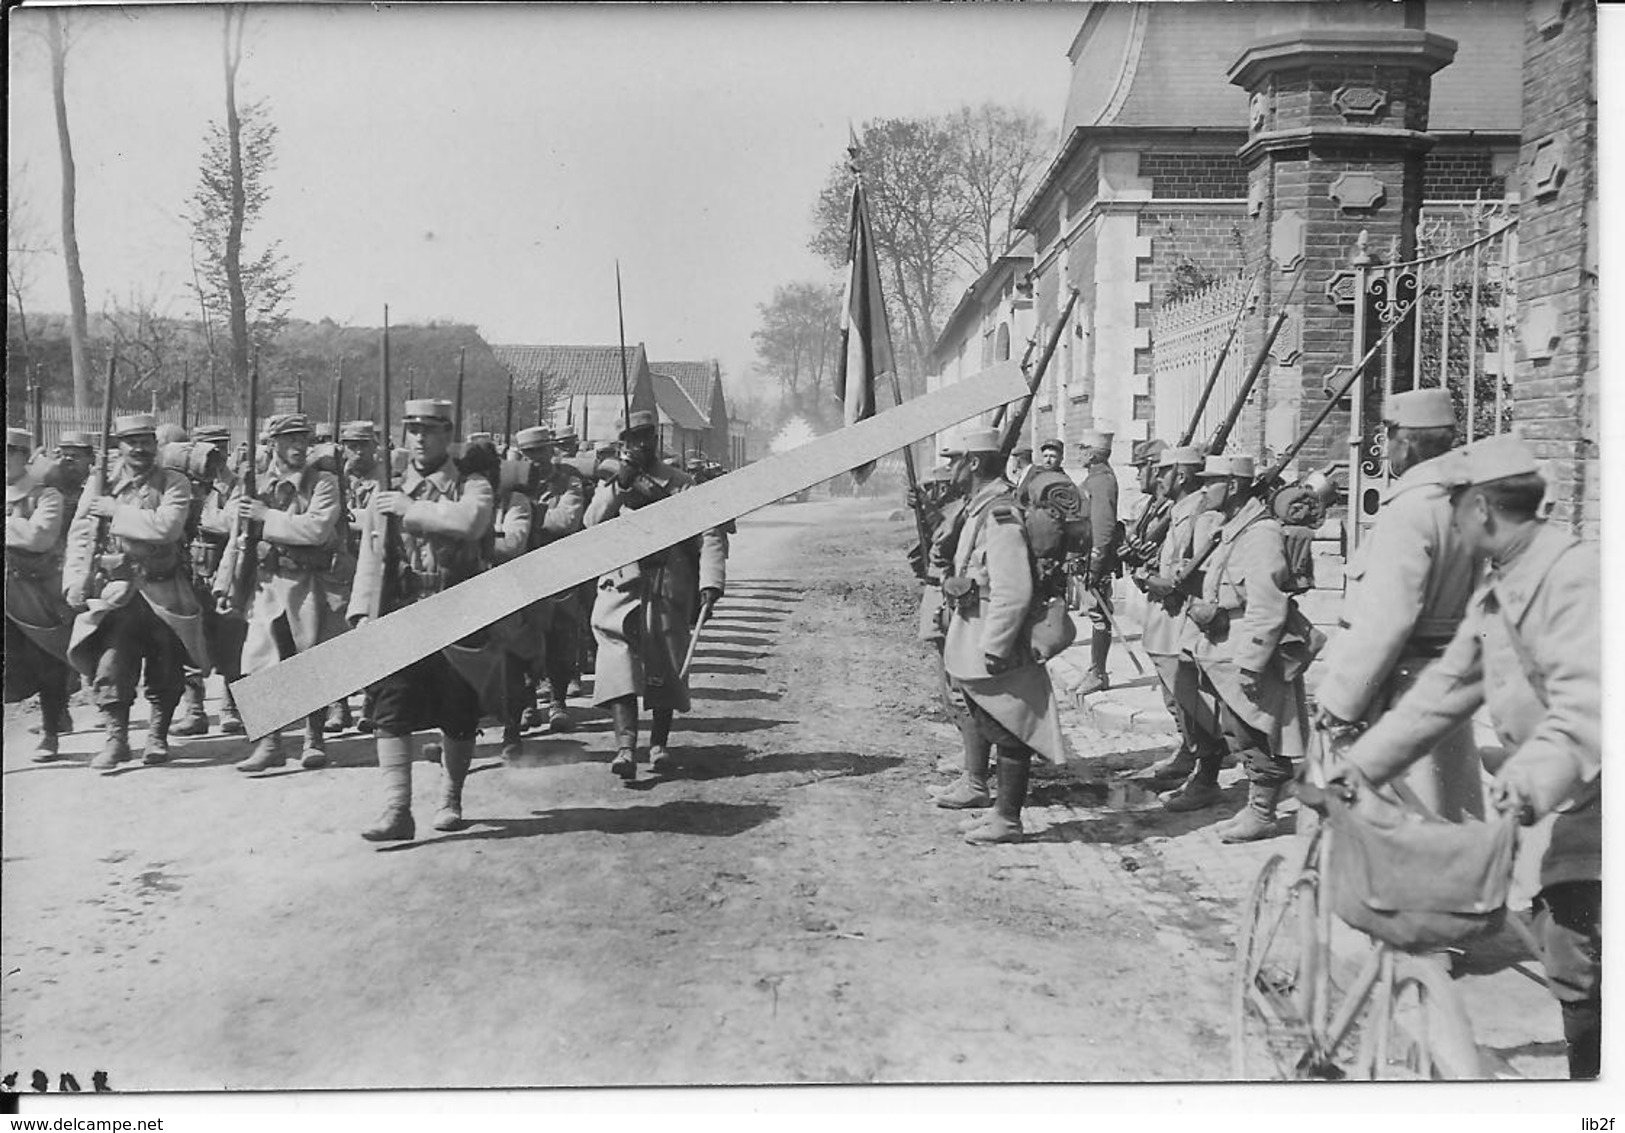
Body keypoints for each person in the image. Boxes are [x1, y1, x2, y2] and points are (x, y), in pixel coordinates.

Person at [1336, 434, 1599, 1080]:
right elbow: (1440, 694)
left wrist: (1532, 781)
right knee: (1566, 950)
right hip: (1570, 797)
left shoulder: (1572, 577)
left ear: (1480, 511)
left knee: (1572, 950)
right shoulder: (1501, 589)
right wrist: (1359, 763)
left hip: (1592, 796)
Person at [1314, 387, 1485, 820]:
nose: (1385, 446)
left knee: (1379, 820)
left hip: (1396, 689)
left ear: (1405, 441)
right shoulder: (1467, 502)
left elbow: (1386, 622)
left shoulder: (1409, 511)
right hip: (1445, 678)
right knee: (1446, 810)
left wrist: (1341, 702)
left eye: (1388, 436)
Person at [349, 398, 497, 841]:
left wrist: (411, 511)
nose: (419, 438)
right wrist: (362, 614)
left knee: (458, 710)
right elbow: (371, 559)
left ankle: (450, 796)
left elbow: (471, 522)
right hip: (403, 609)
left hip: (457, 609)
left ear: (447, 435)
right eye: (412, 429)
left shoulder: (471, 486)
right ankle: (397, 810)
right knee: (390, 706)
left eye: (429, 430)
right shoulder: (387, 492)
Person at [938, 428, 1067, 844]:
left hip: (996, 636)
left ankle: (1008, 819)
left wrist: (995, 646)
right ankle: (999, 812)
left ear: (974, 462)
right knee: (993, 723)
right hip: (977, 629)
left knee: (1012, 731)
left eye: (954, 459)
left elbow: (1013, 588)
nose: (949, 468)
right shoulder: (983, 507)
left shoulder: (1000, 513)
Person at [62, 413, 211, 770]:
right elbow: (81, 535)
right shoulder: (100, 483)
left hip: (164, 590)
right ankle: (117, 740)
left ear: (155, 445)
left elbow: (167, 528)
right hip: (118, 592)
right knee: (111, 665)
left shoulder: (174, 482)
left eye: (147, 441)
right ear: (119, 446)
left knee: (168, 666)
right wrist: (75, 579)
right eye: (133, 442)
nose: (141, 448)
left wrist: (117, 511)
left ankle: (158, 737)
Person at [585, 409, 726, 781]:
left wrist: (710, 583)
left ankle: (659, 744)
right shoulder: (613, 483)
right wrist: (620, 484)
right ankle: (625, 747)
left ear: (657, 439)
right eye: (633, 439)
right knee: (618, 664)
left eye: (647, 436)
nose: (642, 444)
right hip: (622, 585)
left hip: (667, 583)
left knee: (664, 664)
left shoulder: (681, 484)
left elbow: (709, 533)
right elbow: (591, 522)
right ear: (622, 444)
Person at [1184, 453, 1317, 842]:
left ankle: (1262, 813)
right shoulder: (1234, 528)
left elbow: (1267, 604)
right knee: (1240, 730)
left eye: (1212, 481)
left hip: (1247, 649)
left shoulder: (1261, 534)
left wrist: (1253, 663)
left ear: (1236, 486)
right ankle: (1256, 809)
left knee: (1259, 731)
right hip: (1225, 646)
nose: (1204, 488)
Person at [216, 413, 348, 773]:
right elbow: (232, 530)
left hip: (309, 580)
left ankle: (313, 738)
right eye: (290, 439)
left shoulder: (323, 482)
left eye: (303, 439)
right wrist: (226, 577)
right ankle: (269, 743)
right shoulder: (255, 483)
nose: (299, 446)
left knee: (312, 658)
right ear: (272, 443)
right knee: (260, 661)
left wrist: (266, 517)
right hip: (267, 580)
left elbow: (317, 529)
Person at [1130, 445, 1230, 807]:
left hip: (1182, 616)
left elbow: (1198, 574)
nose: (1157, 478)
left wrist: (1157, 579)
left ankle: (1207, 777)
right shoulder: (1179, 511)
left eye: (1163, 471)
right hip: (1166, 618)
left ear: (1181, 475)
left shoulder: (1201, 515)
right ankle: (1192, 758)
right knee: (1178, 695)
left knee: (1193, 699)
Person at [171, 422, 247, 736]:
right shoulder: (179, 481)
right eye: (206, 448)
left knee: (231, 640)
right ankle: (195, 710)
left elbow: (233, 520)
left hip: (224, 572)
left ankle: (231, 707)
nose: (214, 456)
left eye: (220, 448)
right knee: (188, 642)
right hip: (187, 572)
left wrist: (198, 511)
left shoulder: (238, 484)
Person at [7, 428, 77, 761]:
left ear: (25, 456)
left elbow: (39, 537)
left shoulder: (44, 495)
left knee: (48, 662)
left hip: (33, 595)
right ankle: (262, 735)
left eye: (11, 451)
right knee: (253, 656)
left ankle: (51, 730)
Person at [325, 419, 382, 733]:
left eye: (363, 445)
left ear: (374, 447)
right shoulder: (333, 479)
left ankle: (371, 701)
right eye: (351, 445)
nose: (357, 452)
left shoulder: (386, 481)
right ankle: (339, 703)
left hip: (371, 564)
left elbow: (375, 519)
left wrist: (346, 517)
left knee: (369, 634)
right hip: (339, 566)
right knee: (334, 635)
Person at [1072, 427, 1120, 694]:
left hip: (1095, 559)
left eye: (1082, 448)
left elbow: (1103, 527)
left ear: (1093, 453)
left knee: (1099, 615)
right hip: (1087, 556)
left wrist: (1095, 562)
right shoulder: (1095, 477)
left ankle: (1099, 673)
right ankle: (1094, 668)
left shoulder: (1101, 480)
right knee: (1094, 614)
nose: (1079, 452)